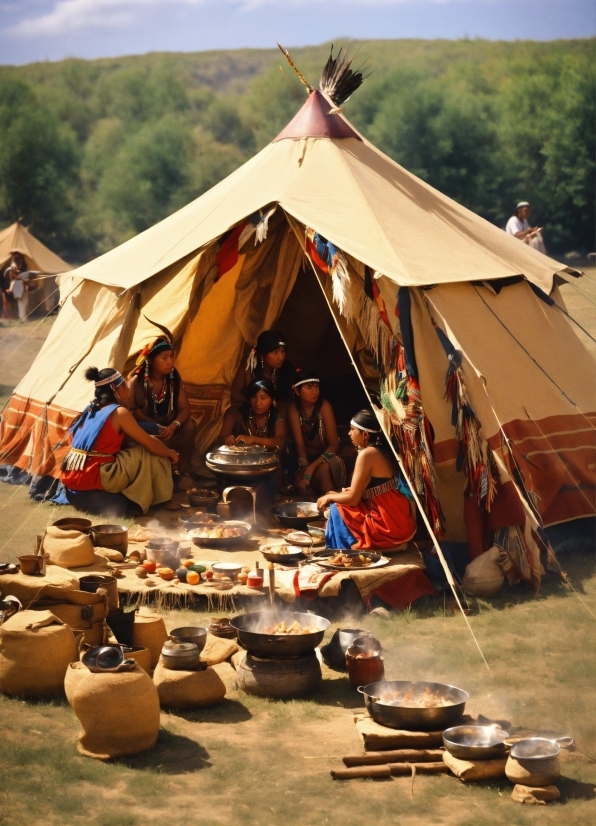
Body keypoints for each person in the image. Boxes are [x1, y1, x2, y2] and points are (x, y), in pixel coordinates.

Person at [61, 367, 179, 517]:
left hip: (72, 481)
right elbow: (149, 443)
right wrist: (171, 454)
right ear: (114, 388)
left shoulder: (90, 409)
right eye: (124, 385)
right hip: (97, 474)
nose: (127, 388)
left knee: (147, 446)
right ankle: (162, 498)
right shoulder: (118, 412)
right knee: (148, 451)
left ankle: (150, 498)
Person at [317, 409, 416, 550]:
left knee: (337, 509)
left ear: (365, 435)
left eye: (352, 430)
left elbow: (353, 499)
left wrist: (330, 498)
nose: (349, 434)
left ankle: (344, 552)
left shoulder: (367, 454)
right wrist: (338, 494)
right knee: (337, 500)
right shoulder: (381, 451)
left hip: (387, 524)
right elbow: (367, 490)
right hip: (399, 520)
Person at [128, 322, 196, 488]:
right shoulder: (136, 382)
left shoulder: (173, 379)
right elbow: (131, 414)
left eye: (171, 356)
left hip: (169, 429)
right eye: (164, 357)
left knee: (190, 426)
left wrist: (173, 426)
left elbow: (184, 409)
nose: (169, 361)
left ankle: (181, 468)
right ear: (150, 360)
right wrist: (155, 427)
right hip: (148, 431)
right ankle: (157, 476)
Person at [286, 368, 346, 497]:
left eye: (317, 386)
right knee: (301, 482)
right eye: (309, 387)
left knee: (323, 471)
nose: (315, 391)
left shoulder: (324, 407)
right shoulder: (293, 409)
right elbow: (299, 444)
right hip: (309, 458)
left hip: (329, 456)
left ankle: (330, 506)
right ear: (297, 390)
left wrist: (310, 469)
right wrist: (304, 468)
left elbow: (334, 445)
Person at [217, 379, 285, 451]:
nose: (258, 403)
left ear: (272, 400)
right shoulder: (236, 412)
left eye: (263, 398)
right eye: (254, 397)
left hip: (267, 459)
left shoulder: (276, 416)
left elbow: (280, 442)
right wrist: (227, 439)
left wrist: (254, 440)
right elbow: (221, 437)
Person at [231, 329, 294, 408]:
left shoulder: (287, 369)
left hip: (278, 413)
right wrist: (257, 404)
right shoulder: (249, 367)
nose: (281, 357)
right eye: (275, 352)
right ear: (262, 356)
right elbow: (235, 395)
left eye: (283, 351)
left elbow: (287, 400)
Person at [2, 251, 34, 320]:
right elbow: (14, 277)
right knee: (21, 301)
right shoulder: (13, 266)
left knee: (24, 301)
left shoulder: (23, 265)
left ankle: (23, 316)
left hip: (21, 284)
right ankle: (22, 317)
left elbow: (22, 277)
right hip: (18, 285)